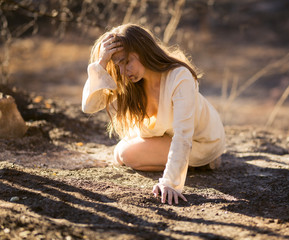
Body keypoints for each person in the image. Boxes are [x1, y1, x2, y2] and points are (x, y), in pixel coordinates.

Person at [82, 23, 225, 205]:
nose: (123, 71)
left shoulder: (179, 76)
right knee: (120, 153)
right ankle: (186, 163)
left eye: (126, 61)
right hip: (167, 138)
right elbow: (89, 106)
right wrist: (101, 63)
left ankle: (201, 163)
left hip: (201, 142)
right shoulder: (132, 81)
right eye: (117, 64)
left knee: (125, 154)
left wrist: (170, 183)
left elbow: (183, 135)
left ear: (142, 51)